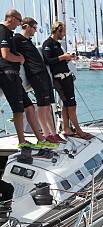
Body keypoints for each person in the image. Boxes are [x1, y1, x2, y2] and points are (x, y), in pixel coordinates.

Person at [0, 9, 54, 149]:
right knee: (18, 110)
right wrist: (20, 58)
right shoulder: (3, 31)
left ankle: (40, 139)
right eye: (19, 21)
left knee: (30, 108)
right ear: (11, 18)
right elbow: (5, 55)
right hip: (8, 74)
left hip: (14, 75)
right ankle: (22, 142)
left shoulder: (9, 34)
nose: (19, 24)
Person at [15, 17, 63, 144]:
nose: (36, 31)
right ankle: (47, 135)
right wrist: (17, 57)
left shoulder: (28, 41)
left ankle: (54, 133)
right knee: (42, 106)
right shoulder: (17, 39)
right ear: (26, 26)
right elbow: (6, 49)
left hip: (43, 74)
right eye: (34, 28)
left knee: (48, 106)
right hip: (35, 75)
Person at [43, 21, 92, 140]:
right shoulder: (48, 43)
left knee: (67, 105)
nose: (64, 34)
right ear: (58, 30)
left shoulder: (58, 44)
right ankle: (79, 131)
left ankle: (66, 129)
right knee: (72, 106)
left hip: (67, 77)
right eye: (63, 31)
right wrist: (63, 57)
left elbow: (59, 60)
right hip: (60, 79)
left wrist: (68, 57)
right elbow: (48, 60)